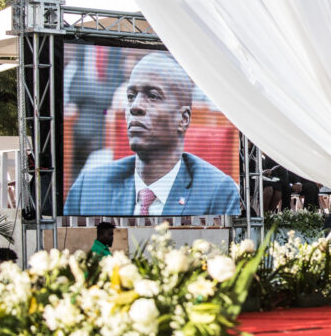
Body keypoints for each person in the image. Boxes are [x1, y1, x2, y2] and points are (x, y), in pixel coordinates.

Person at [64, 53, 241, 216]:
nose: (135, 106)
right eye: (131, 96)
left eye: (153, 96)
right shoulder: (88, 189)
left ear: (183, 119)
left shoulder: (217, 194)